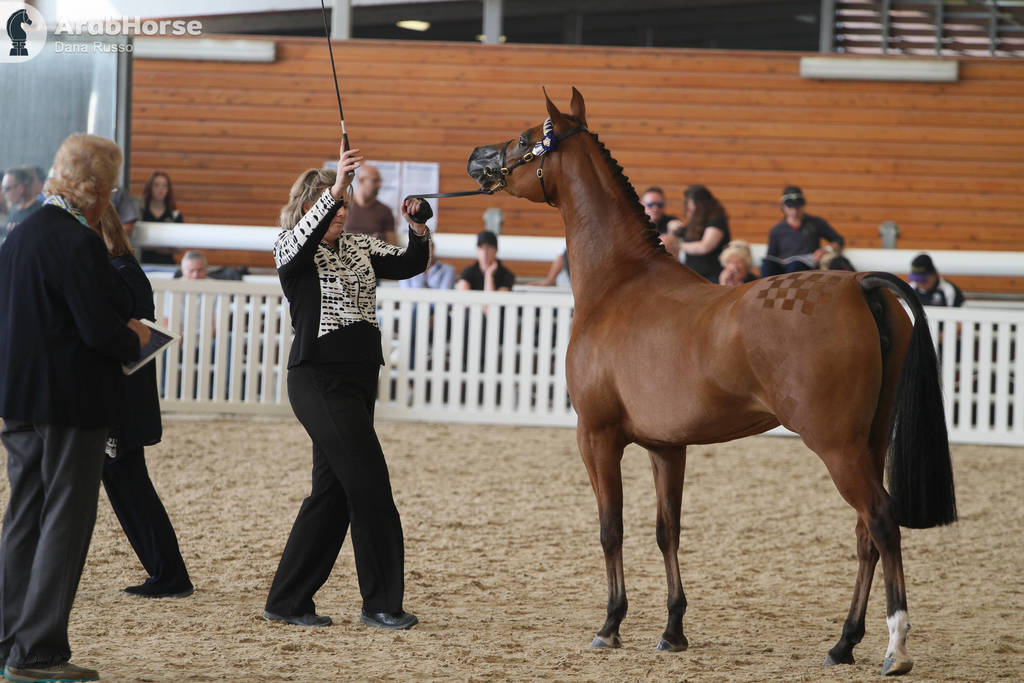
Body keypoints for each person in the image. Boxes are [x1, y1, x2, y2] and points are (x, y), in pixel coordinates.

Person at [0, 133, 151, 683]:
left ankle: (6, 636)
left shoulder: (19, 235)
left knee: (23, 516)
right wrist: (133, 336)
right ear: (98, 190)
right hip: (69, 401)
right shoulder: (78, 241)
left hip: (18, 399)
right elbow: (98, 331)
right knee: (65, 518)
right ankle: (37, 653)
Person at [264, 143, 429, 631]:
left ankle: (288, 600)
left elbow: (410, 263)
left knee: (332, 493)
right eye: (331, 204)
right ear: (310, 207)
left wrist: (419, 226)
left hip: (359, 381)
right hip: (317, 380)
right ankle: (381, 603)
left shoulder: (359, 245)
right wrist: (334, 188)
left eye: (342, 203)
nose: (341, 210)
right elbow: (302, 236)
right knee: (371, 484)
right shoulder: (291, 249)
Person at [95, 204, 194, 600]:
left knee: (130, 483)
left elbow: (139, 331)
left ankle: (169, 573)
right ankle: (166, 571)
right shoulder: (119, 270)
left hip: (123, 395)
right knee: (125, 483)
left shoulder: (122, 271)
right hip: (119, 393)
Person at [762, 185, 844, 277]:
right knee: (767, 265)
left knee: (795, 266)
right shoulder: (777, 230)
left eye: (797, 207)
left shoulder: (815, 223)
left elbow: (838, 240)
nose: (794, 211)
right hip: (783, 270)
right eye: (790, 207)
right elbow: (771, 256)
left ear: (803, 205)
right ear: (783, 207)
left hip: (804, 269)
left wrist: (826, 249)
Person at [671, 184, 730, 282]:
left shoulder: (717, 220)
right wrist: (674, 228)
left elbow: (705, 246)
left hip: (711, 276)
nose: (688, 208)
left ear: (699, 204)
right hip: (693, 274)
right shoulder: (696, 222)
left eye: (689, 203)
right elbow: (686, 236)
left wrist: (678, 245)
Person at [345, 164, 396, 245]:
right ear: (361, 180)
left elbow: (393, 245)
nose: (380, 185)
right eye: (375, 181)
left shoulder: (385, 211)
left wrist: (379, 242)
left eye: (380, 181)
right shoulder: (343, 205)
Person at [139, 171, 182, 265]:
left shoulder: (174, 214)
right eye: (156, 185)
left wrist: (153, 245)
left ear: (168, 189)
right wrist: (158, 247)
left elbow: (179, 247)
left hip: (167, 265)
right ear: (149, 188)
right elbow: (134, 242)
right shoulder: (140, 213)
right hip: (143, 264)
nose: (160, 189)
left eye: (164, 186)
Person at [1, 167, 43, 243]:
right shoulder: (14, 210)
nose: (3, 192)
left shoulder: (40, 211)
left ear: (20, 188)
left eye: (6, 188)